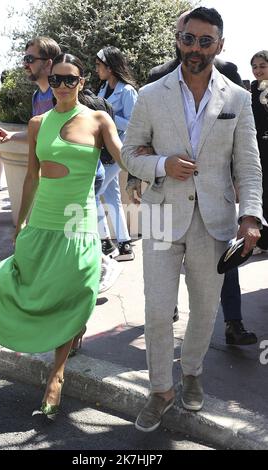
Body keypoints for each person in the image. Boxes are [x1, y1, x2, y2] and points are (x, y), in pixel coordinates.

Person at [122, 7, 263, 432]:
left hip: (215, 219)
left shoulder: (237, 98)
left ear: (220, 45)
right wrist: (163, 164)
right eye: (188, 39)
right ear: (178, 38)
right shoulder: (150, 94)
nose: (195, 48)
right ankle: (161, 389)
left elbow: (249, 165)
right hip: (163, 215)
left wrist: (251, 216)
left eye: (205, 41)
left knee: (204, 310)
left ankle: (193, 373)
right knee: (159, 308)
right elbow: (130, 155)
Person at [0, 52, 124, 419]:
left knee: (74, 288)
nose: (62, 86)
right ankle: (70, 332)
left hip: (77, 222)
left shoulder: (97, 119)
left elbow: (124, 158)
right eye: (57, 79)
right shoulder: (36, 123)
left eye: (70, 80)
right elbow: (32, 176)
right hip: (42, 219)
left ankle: (56, 376)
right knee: (23, 287)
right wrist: (20, 223)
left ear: (81, 83)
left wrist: (154, 168)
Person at [96, 46, 137, 261]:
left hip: (119, 152)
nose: (97, 69)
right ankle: (124, 245)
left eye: (99, 65)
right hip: (105, 151)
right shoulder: (102, 89)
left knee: (91, 193)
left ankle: (105, 242)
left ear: (110, 67)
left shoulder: (128, 91)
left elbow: (134, 124)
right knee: (112, 196)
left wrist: (107, 117)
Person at [250, 50, 268, 253]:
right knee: (261, 195)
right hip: (257, 151)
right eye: (255, 66)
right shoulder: (251, 90)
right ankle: (263, 242)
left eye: (262, 66)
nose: (257, 70)